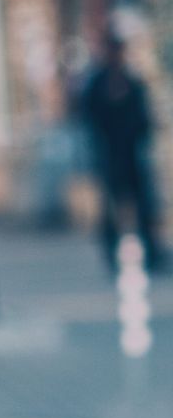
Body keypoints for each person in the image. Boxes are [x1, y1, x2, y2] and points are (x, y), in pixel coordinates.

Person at [77, 23, 164, 273]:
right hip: (109, 155)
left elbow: (144, 117)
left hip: (132, 154)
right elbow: (89, 118)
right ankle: (112, 255)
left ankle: (152, 253)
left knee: (143, 205)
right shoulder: (97, 84)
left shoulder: (132, 81)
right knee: (111, 210)